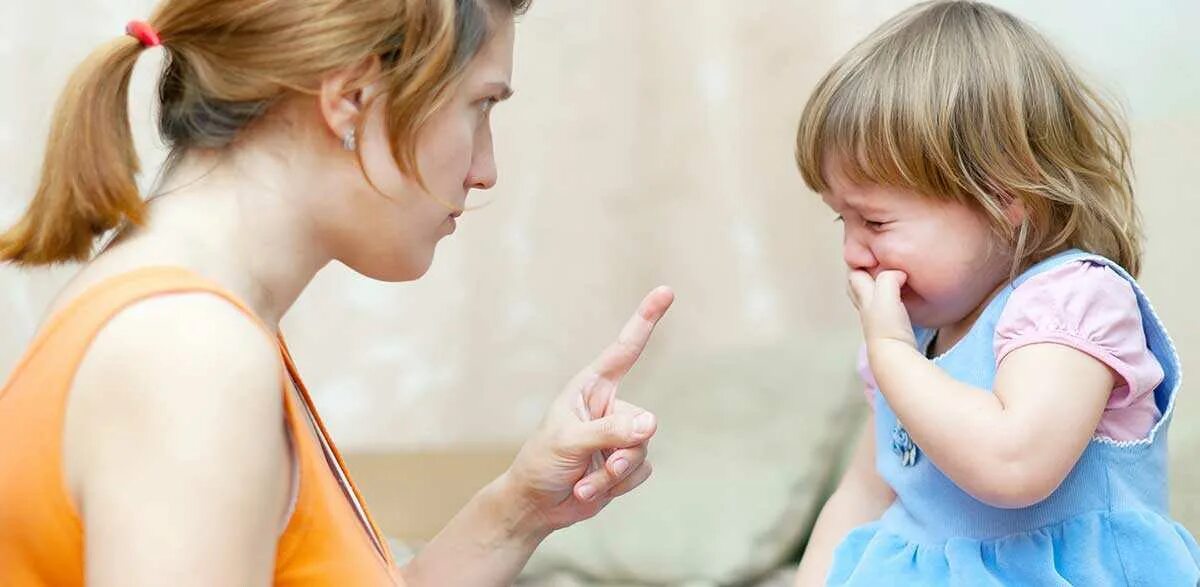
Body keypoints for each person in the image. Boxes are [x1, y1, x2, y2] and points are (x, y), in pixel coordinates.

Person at [0, 0, 673, 584]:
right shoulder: (188, 354)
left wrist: (521, 507)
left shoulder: (199, 320)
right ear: (351, 97)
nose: (485, 170)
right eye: (481, 106)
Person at [791, 2, 1200, 585]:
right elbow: (861, 495)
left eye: (875, 223)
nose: (854, 252)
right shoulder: (915, 342)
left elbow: (1013, 466)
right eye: (842, 222)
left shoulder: (1069, 302)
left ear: (1003, 199)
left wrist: (892, 354)